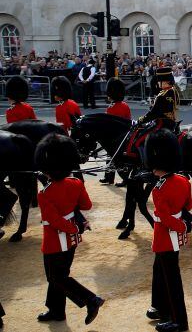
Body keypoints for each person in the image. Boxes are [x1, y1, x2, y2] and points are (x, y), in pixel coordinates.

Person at [34, 134, 105, 325]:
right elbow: (87, 205)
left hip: (54, 241)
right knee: (59, 275)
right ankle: (56, 310)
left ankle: (91, 299)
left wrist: (72, 227)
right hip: (72, 240)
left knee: (55, 277)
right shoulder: (76, 183)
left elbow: (53, 220)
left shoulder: (44, 193)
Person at [145, 131, 192, 332]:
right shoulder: (183, 181)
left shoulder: (159, 189)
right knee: (159, 270)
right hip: (176, 234)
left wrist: (185, 227)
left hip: (165, 236)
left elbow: (164, 218)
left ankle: (179, 321)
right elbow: (188, 206)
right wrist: (184, 225)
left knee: (172, 279)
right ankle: (160, 307)